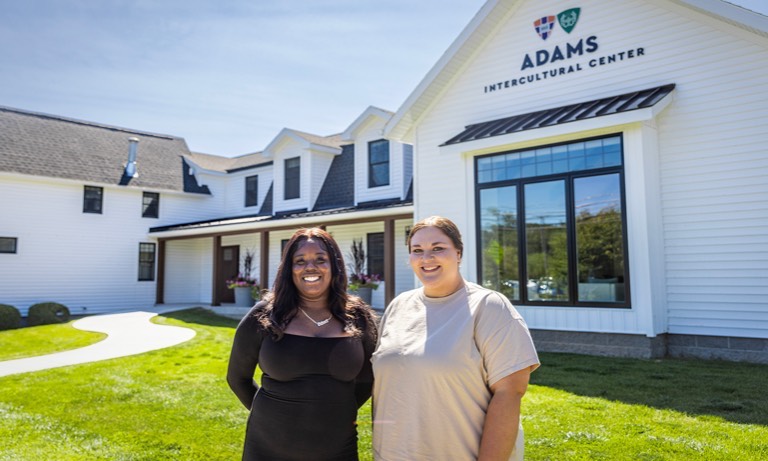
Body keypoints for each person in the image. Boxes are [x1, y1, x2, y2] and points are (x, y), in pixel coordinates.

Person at [372, 216, 539, 461]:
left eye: (438, 248)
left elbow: (509, 394)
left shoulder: (488, 306)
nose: (426, 258)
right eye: (417, 250)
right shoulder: (399, 306)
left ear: (458, 253)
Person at [227, 227, 378, 461]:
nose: (310, 267)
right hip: (267, 448)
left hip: (338, 449)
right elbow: (238, 378)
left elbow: (369, 378)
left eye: (321, 259)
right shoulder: (265, 315)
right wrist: (273, 415)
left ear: (334, 266)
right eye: (300, 261)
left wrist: (335, 412)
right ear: (289, 269)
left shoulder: (358, 317)